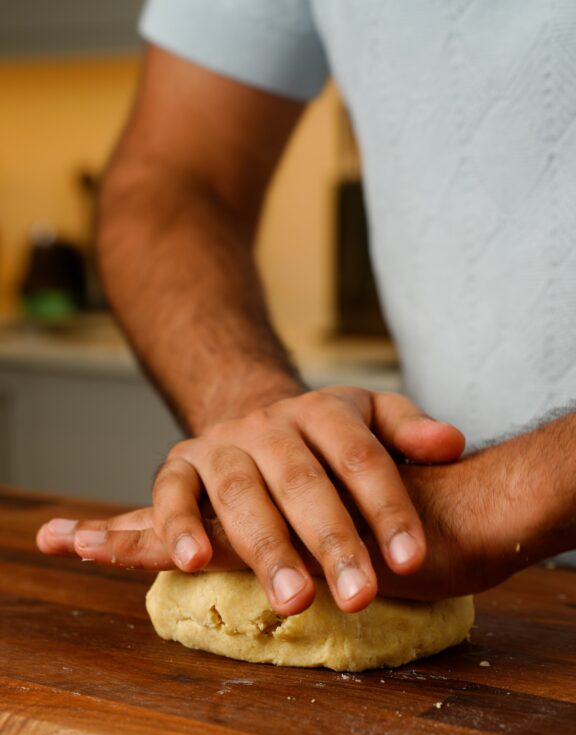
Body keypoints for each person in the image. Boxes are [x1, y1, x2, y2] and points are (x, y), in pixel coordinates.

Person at [37, 0, 575, 614]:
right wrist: (277, 446)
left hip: (434, 543)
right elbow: (171, 180)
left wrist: (496, 501)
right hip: (436, 577)